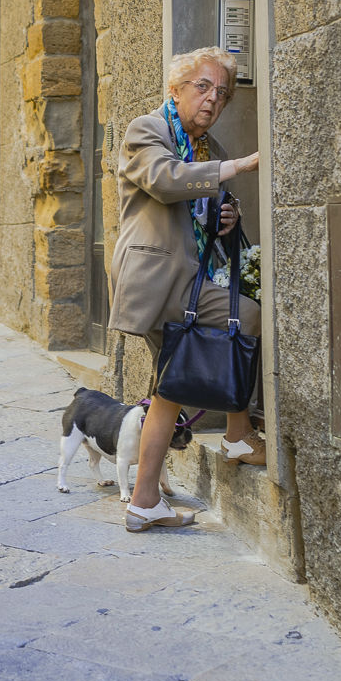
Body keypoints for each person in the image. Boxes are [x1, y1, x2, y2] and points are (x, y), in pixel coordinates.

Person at [109, 46, 263, 533]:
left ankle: (144, 500)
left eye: (222, 93)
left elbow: (205, 211)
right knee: (249, 316)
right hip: (157, 279)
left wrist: (227, 218)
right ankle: (238, 432)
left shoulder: (208, 149)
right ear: (175, 91)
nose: (213, 100)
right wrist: (235, 168)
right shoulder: (146, 130)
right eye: (202, 87)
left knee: (170, 387)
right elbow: (165, 180)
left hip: (191, 281)